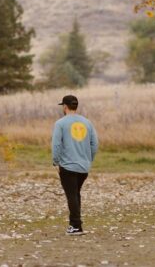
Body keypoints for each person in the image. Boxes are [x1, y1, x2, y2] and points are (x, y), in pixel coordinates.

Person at [51, 94, 98, 235]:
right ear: (76, 106)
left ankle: (76, 226)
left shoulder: (60, 123)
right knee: (75, 194)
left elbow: (56, 145)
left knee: (72, 195)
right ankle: (75, 224)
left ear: (65, 107)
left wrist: (56, 162)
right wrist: (88, 159)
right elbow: (95, 144)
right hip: (84, 167)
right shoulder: (87, 122)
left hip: (68, 166)